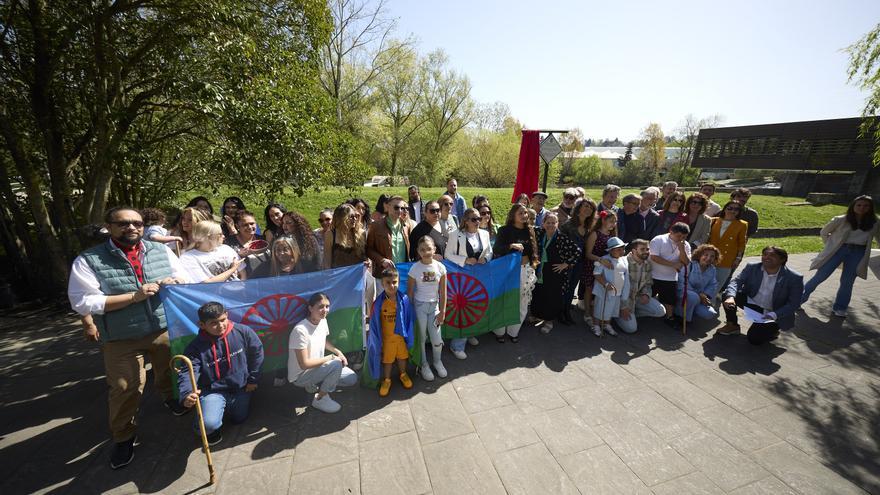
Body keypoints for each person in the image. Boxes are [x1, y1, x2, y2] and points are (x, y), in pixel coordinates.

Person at [67, 207, 189, 469]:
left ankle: (169, 398)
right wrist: (133, 297)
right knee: (124, 387)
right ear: (109, 226)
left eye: (137, 223)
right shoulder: (89, 259)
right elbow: (82, 300)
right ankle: (123, 436)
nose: (132, 228)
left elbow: (183, 276)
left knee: (169, 370)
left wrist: (173, 281)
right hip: (121, 337)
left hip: (161, 326)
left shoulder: (159, 250)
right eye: (123, 223)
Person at [178, 302, 264, 446]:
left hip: (241, 387)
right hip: (213, 391)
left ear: (227, 316)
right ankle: (203, 426)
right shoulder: (194, 347)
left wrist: (253, 380)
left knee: (239, 419)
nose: (220, 326)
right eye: (213, 323)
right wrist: (187, 393)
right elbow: (188, 371)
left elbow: (257, 354)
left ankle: (223, 410)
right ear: (201, 324)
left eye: (223, 320)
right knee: (209, 425)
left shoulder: (243, 331)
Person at [802, 195, 880, 317]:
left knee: (847, 282)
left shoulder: (875, 222)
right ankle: (798, 301)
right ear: (853, 206)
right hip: (838, 250)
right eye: (859, 205)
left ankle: (840, 308)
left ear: (870, 208)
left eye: (866, 206)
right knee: (820, 276)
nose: (862, 208)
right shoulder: (841, 219)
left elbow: (878, 238)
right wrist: (830, 245)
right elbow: (824, 232)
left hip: (858, 253)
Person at [288, 293, 358, 413]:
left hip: (318, 367)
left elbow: (323, 340)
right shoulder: (300, 330)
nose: (324, 310)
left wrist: (337, 351)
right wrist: (331, 357)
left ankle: (315, 383)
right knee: (335, 364)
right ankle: (321, 398)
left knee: (351, 378)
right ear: (310, 308)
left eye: (327, 306)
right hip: (300, 376)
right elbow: (304, 364)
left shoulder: (322, 321)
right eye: (320, 307)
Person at [719, 246, 803, 345]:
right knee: (727, 294)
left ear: (782, 259)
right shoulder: (752, 267)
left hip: (774, 312)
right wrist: (730, 297)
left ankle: (773, 330)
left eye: (772, 255)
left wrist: (773, 315)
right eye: (765, 254)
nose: (767, 257)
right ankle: (732, 325)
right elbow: (736, 281)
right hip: (753, 305)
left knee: (754, 339)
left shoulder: (794, 277)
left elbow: (794, 303)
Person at [447, 208, 493, 358]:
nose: (478, 221)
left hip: (479, 277)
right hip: (462, 278)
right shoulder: (455, 235)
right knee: (463, 308)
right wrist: (464, 260)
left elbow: (490, 252)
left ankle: (469, 333)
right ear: (466, 221)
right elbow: (448, 255)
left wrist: (485, 259)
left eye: (479, 218)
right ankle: (457, 345)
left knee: (476, 307)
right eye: (474, 219)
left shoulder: (485, 234)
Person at [492, 203, 539, 343]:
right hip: (508, 272)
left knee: (522, 302)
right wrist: (511, 246)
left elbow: (534, 251)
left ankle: (514, 332)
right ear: (513, 215)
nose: (525, 215)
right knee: (504, 301)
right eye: (521, 213)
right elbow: (497, 249)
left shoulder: (530, 230)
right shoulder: (504, 230)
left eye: (526, 213)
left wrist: (534, 265)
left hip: (525, 271)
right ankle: (499, 331)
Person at [367, 268, 415, 396]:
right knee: (387, 361)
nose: (392, 285)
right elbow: (374, 323)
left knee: (402, 357)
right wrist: (378, 341)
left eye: (394, 282)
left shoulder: (404, 299)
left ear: (399, 281)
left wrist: (409, 337)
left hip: (400, 338)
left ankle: (403, 374)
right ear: (382, 284)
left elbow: (409, 319)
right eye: (388, 282)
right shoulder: (378, 304)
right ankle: (387, 380)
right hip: (387, 339)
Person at [531, 212, 581, 333]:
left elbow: (577, 251)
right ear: (543, 223)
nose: (551, 225)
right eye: (548, 222)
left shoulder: (561, 238)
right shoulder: (539, 233)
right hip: (540, 270)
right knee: (538, 292)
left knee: (552, 296)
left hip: (554, 272)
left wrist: (565, 264)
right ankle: (537, 315)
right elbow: (529, 228)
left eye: (554, 223)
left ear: (558, 224)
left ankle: (549, 321)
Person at [408, 237, 448, 381]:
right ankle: (424, 364)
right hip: (419, 307)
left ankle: (437, 361)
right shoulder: (414, 269)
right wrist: (410, 314)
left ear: (434, 250)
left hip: (434, 307)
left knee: (436, 338)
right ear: (418, 252)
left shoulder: (441, 268)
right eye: (422, 250)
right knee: (422, 338)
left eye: (429, 249)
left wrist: (442, 312)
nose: (426, 252)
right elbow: (410, 293)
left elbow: (443, 293)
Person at [614, 239, 666, 334]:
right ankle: (616, 314)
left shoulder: (647, 264)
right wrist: (623, 307)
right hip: (623, 301)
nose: (646, 252)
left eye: (647, 249)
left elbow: (648, 283)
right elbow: (617, 289)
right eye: (642, 249)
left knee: (660, 311)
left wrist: (646, 294)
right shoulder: (622, 263)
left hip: (637, 297)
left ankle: (632, 314)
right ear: (634, 251)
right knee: (631, 329)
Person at [649, 222, 692, 327]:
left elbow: (686, 262)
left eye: (684, 237)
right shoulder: (659, 240)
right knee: (648, 295)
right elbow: (654, 257)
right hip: (653, 274)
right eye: (679, 236)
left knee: (670, 298)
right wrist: (673, 265)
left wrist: (681, 249)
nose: (681, 239)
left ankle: (669, 317)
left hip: (670, 277)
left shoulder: (685, 245)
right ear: (671, 232)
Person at [560, 198, 597, 317]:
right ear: (578, 208)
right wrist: (565, 262)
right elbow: (559, 244)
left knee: (571, 288)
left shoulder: (589, 227)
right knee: (564, 288)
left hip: (580, 263)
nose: (588, 209)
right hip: (566, 263)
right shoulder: (568, 224)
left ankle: (566, 312)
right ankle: (560, 313)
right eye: (586, 206)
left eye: (591, 208)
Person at [180, 221, 246, 282]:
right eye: (220, 234)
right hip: (213, 294)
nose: (223, 236)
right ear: (209, 237)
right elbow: (206, 283)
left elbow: (243, 272)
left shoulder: (226, 248)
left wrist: (242, 286)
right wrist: (232, 269)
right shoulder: (188, 258)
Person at [582, 210, 617, 325]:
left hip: (606, 267)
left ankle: (598, 313)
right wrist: (601, 260)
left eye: (615, 222)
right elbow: (588, 253)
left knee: (601, 289)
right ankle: (587, 313)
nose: (613, 224)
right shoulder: (595, 234)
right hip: (592, 264)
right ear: (603, 220)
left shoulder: (612, 235)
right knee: (590, 289)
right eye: (611, 221)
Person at [708, 201, 748, 299]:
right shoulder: (713, 220)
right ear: (724, 209)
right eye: (730, 208)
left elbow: (741, 243)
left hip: (727, 258)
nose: (732, 211)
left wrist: (738, 258)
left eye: (736, 209)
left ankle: (710, 301)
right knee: (705, 280)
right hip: (709, 256)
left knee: (718, 282)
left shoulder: (742, 224)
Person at [591, 237, 629, 337]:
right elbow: (596, 273)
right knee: (600, 308)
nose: (621, 252)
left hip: (617, 291)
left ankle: (607, 324)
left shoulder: (624, 261)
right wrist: (606, 284)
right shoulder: (604, 260)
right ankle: (596, 325)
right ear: (611, 250)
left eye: (623, 249)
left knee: (612, 309)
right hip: (604, 290)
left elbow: (625, 276)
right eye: (618, 250)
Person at [367, 195, 412, 277]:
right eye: (396, 207)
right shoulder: (376, 226)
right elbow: (368, 249)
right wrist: (382, 260)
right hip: (383, 273)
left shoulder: (407, 226)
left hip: (402, 272)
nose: (399, 210)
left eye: (402, 208)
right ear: (388, 207)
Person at [676, 244, 720, 323]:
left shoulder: (712, 269)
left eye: (712, 256)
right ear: (699, 255)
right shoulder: (690, 265)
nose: (708, 258)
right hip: (683, 293)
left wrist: (705, 295)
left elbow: (713, 285)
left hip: (700, 297)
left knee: (710, 313)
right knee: (693, 297)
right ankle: (681, 317)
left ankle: (690, 311)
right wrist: (699, 295)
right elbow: (682, 281)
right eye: (705, 255)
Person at [323, 204, 369, 270]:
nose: (355, 219)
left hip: (358, 276)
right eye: (351, 217)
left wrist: (367, 263)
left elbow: (366, 258)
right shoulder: (330, 234)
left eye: (355, 216)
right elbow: (327, 262)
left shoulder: (362, 233)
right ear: (342, 218)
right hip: (339, 277)